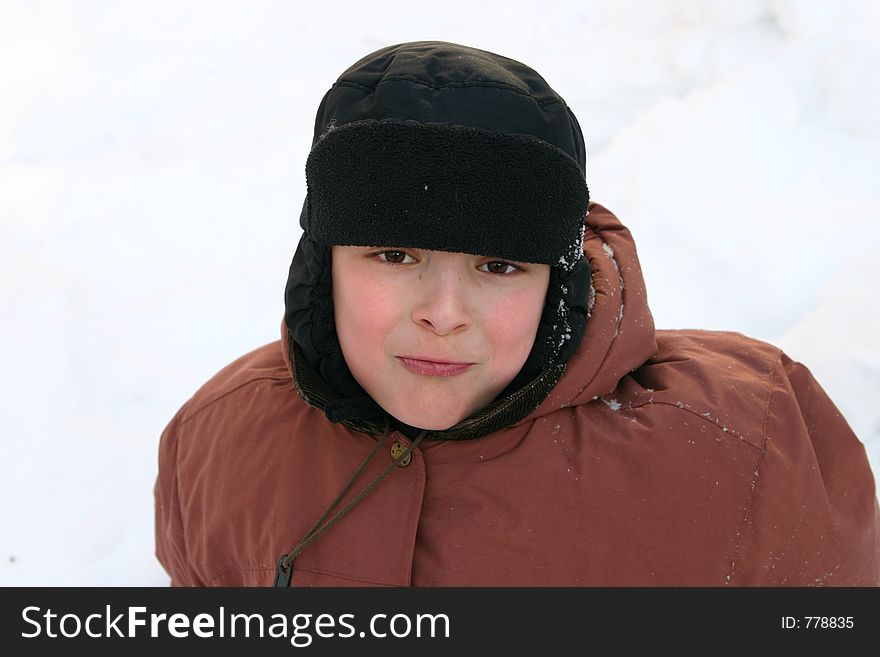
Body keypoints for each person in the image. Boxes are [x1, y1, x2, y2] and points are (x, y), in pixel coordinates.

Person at [154, 40, 880, 586]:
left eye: (498, 266)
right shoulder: (216, 443)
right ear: (324, 262)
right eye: (394, 256)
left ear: (554, 279)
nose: (444, 313)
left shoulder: (745, 445)